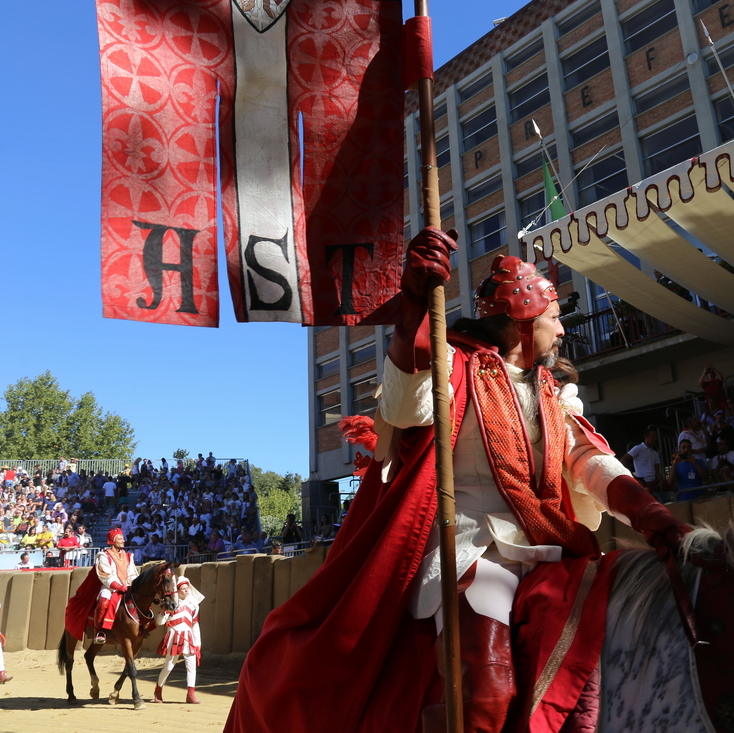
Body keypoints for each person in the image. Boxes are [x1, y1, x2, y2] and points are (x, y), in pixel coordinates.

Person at [226, 231, 690, 733]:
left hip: (554, 546)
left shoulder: (554, 393)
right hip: (469, 548)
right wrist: (414, 309)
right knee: (485, 687)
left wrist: (651, 516)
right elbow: (405, 406)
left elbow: (590, 460)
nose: (561, 332)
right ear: (524, 317)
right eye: (555, 319)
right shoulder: (455, 364)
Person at [153, 576, 203, 704]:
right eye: (183, 588)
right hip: (173, 637)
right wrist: (163, 612)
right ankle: (158, 689)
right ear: (178, 590)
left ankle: (190, 694)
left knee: (191, 666)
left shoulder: (194, 606)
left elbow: (194, 625)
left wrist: (197, 643)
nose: (187, 590)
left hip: (188, 638)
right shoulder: (172, 604)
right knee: (169, 666)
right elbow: (160, 622)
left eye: (187, 588)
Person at [93, 528, 139, 644]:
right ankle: (100, 631)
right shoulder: (104, 555)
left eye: (123, 538)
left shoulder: (128, 556)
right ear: (112, 541)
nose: (123, 540)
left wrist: (133, 583)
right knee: (104, 601)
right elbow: (104, 574)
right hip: (110, 587)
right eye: (120, 538)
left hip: (127, 586)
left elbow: (132, 573)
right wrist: (118, 586)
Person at [619, 427, 663, 492]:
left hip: (654, 482)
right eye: (654, 436)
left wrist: (661, 481)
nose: (656, 438)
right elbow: (623, 460)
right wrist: (633, 476)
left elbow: (657, 470)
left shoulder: (654, 452)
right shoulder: (638, 448)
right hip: (644, 483)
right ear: (647, 437)